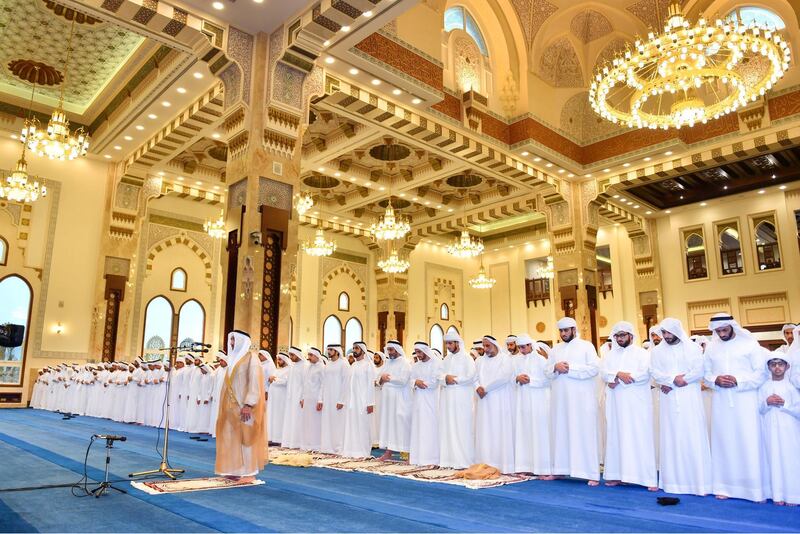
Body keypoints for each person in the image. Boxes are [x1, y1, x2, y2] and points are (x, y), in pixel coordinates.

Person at [703, 313, 769, 502]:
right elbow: (705, 374)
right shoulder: (711, 348)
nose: (721, 333)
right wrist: (716, 380)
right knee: (724, 442)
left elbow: (761, 374)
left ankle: (753, 490)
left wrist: (738, 381)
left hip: (745, 400)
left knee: (748, 441)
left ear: (732, 327)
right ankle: (725, 486)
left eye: (724, 330)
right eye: (718, 331)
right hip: (721, 401)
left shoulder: (749, 344)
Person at [650, 318, 711, 496]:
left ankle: (699, 483)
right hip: (669, 399)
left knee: (692, 435)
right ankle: (673, 483)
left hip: (689, 396)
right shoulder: (657, 351)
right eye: (664, 333)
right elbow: (654, 372)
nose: (666, 337)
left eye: (669, 333)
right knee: (671, 436)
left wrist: (682, 380)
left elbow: (699, 370)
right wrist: (671, 380)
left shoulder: (693, 348)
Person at [601, 321, 657, 491]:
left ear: (631, 336)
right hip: (616, 402)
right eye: (617, 336)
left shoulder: (643, 354)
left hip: (636, 402)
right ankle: (617, 475)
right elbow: (603, 372)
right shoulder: (610, 356)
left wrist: (621, 378)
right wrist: (617, 375)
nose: (619, 339)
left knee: (638, 435)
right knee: (617, 435)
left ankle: (646, 478)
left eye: (623, 335)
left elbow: (645, 374)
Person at [550, 317, 601, 485]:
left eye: (566, 330)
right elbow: (546, 370)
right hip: (561, 400)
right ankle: (560, 470)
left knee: (583, 432)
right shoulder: (555, 349)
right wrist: (554, 368)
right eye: (561, 331)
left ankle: (590, 473)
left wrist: (570, 368)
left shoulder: (586, 346)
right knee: (561, 432)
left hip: (581, 400)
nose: (564, 334)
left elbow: (594, 369)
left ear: (573, 330)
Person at [214, 330, 266, 482]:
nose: (231, 343)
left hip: (245, 407)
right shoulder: (232, 360)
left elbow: (255, 382)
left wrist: (249, 404)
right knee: (231, 438)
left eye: (233, 340)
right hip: (230, 407)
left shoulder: (252, 358)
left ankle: (249, 472)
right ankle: (234, 469)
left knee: (247, 439)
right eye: (230, 340)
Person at [759, 356, 800, 506]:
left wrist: (785, 404)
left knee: (790, 460)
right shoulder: (764, 387)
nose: (777, 367)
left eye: (780, 364)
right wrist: (767, 402)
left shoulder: (792, 387)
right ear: (768, 367)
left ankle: (793, 495)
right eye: (773, 364)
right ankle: (776, 494)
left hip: (790, 431)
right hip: (770, 430)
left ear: (787, 366)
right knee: (773, 459)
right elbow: (758, 409)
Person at [513, 334, 554, 478]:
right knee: (524, 430)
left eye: (524, 347)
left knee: (539, 432)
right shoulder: (516, 361)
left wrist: (531, 380)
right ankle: (525, 465)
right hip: (522, 400)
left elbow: (548, 381)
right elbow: (509, 378)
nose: (522, 350)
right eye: (520, 347)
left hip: (539, 400)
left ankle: (542, 467)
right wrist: (516, 378)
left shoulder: (541, 360)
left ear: (531, 345)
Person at [474, 335, 515, 474]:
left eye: (488, 346)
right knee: (485, 430)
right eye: (484, 346)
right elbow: (474, 377)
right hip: (483, 400)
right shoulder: (479, 361)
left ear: (495, 345)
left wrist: (486, 388)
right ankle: (485, 462)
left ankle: (500, 464)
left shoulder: (505, 359)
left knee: (498, 429)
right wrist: (477, 387)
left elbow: (504, 377)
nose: (485, 349)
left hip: (499, 400)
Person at [438, 332, 476, 469]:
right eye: (446, 343)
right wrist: (445, 378)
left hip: (462, 397)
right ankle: (449, 460)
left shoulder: (467, 358)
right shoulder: (446, 359)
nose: (448, 346)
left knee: (462, 428)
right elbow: (438, 375)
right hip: (447, 397)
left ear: (457, 343)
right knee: (448, 426)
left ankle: (463, 460)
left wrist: (454, 379)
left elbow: (471, 376)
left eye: (450, 343)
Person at [377, 340, 412, 461]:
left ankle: (408, 453)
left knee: (401, 425)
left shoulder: (405, 363)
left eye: (391, 350)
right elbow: (378, 379)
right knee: (388, 425)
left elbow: (403, 380)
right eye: (388, 350)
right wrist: (382, 379)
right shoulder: (387, 363)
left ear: (397, 350)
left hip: (400, 400)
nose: (389, 352)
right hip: (387, 401)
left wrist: (388, 378)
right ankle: (388, 452)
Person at [340, 341, 375, 458]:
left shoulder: (368, 365)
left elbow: (370, 385)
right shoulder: (353, 365)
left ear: (362, 350)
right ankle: (351, 450)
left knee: (363, 426)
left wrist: (370, 403)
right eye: (353, 348)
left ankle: (363, 452)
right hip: (352, 402)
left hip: (363, 402)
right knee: (352, 426)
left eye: (356, 348)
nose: (354, 350)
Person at [409, 342, 441, 466]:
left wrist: (420, 383)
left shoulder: (436, 364)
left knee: (430, 427)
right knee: (418, 427)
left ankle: (431, 458)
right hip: (418, 400)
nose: (418, 355)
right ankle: (418, 458)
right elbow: (410, 380)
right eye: (416, 352)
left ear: (426, 351)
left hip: (431, 400)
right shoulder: (416, 366)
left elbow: (435, 382)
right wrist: (416, 382)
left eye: (420, 352)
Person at [320, 344, 350, 454]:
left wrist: (342, 400)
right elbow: (323, 383)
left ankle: (339, 447)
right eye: (328, 349)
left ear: (337, 351)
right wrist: (321, 399)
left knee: (338, 423)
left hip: (338, 399)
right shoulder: (327, 364)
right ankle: (327, 447)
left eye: (331, 350)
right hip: (327, 398)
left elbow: (346, 383)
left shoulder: (344, 364)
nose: (329, 351)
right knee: (328, 422)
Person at [281, 346, 306, 449]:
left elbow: (305, 383)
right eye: (290, 355)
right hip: (290, 397)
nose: (290, 357)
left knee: (297, 419)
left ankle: (297, 443)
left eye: (292, 355)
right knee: (290, 419)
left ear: (298, 355)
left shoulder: (304, 366)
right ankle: (289, 442)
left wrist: (303, 397)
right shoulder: (292, 366)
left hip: (299, 397)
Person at [300, 347, 325, 452]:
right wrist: (302, 397)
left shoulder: (322, 368)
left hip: (316, 399)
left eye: (311, 355)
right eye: (308, 355)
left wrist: (320, 400)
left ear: (316, 356)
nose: (308, 357)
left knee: (316, 422)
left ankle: (316, 445)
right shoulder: (308, 367)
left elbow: (323, 385)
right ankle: (307, 444)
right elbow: (304, 384)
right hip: (307, 399)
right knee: (307, 422)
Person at [267, 352, 291, 444]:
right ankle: (272, 438)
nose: (278, 361)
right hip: (273, 399)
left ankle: (279, 439)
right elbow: (271, 380)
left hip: (281, 398)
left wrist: (274, 379)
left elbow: (286, 382)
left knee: (279, 417)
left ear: (285, 360)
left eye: (280, 360)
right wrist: (271, 379)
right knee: (272, 416)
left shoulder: (288, 370)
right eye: (278, 359)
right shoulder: (276, 370)